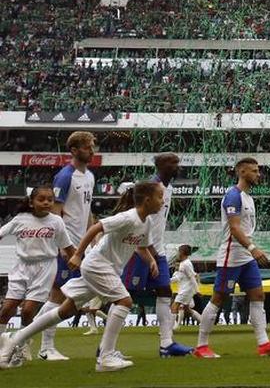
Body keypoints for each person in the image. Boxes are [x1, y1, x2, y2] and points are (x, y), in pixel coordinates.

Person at [0, 182, 165, 372]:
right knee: (125, 302)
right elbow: (96, 228)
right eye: (160, 197)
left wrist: (151, 261)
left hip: (105, 268)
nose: (162, 201)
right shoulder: (127, 218)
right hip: (98, 265)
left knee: (65, 311)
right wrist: (78, 254)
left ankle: (15, 339)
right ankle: (105, 357)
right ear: (147, 200)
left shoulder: (147, 222)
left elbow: (141, 246)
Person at [193, 157, 270, 358]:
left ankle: (263, 344)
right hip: (231, 254)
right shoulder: (233, 195)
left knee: (258, 295)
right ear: (242, 172)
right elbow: (234, 228)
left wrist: (250, 250)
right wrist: (253, 248)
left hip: (245, 256)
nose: (258, 174)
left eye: (258, 170)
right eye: (254, 171)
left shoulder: (248, 198)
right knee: (219, 298)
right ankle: (201, 346)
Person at [121, 153, 193, 356]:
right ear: (161, 165)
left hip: (158, 250)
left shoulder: (167, 188)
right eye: (172, 163)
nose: (177, 166)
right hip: (140, 249)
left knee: (164, 292)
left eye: (177, 162)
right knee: (125, 297)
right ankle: (106, 347)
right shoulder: (152, 187)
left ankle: (166, 344)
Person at [38, 131, 98, 362]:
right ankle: (44, 347)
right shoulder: (65, 176)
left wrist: (93, 239)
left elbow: (88, 211)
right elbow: (55, 214)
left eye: (92, 147)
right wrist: (64, 247)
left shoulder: (90, 176)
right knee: (57, 297)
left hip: (82, 247)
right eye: (87, 147)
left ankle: (26, 338)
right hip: (68, 247)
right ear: (74, 150)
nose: (92, 151)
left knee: (68, 298)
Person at [0, 186, 75, 362]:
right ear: (32, 202)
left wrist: (78, 260)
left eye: (50, 199)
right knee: (7, 309)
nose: (47, 202)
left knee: (27, 310)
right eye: (41, 199)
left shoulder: (56, 222)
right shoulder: (21, 219)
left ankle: (22, 345)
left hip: (45, 267)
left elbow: (68, 246)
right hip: (21, 267)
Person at [171, 245, 202, 325]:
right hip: (185, 289)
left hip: (186, 290)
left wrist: (197, 290)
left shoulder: (185, 264)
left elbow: (192, 277)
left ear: (182, 252)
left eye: (178, 251)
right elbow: (178, 278)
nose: (177, 253)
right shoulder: (184, 263)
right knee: (187, 309)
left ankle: (170, 328)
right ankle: (204, 322)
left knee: (174, 306)